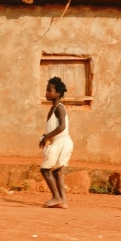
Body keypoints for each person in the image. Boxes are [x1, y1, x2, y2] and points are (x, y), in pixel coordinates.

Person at [39, 77, 74, 208]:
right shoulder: (53, 109)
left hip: (61, 142)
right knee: (57, 171)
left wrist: (47, 136)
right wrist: (45, 136)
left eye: (49, 90)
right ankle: (63, 201)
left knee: (45, 169)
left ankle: (56, 197)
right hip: (59, 141)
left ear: (58, 93)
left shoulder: (59, 108)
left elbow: (62, 126)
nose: (47, 93)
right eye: (46, 90)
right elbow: (54, 127)